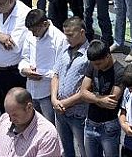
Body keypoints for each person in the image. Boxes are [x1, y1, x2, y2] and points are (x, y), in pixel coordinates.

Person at [51, 16, 90, 157]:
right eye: (65, 34)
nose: (67, 38)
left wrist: (63, 103)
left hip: (78, 113)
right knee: (65, 148)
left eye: (70, 35)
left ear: (82, 32)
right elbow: (55, 75)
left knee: (84, 149)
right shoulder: (65, 49)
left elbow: (87, 89)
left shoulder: (89, 55)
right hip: (60, 111)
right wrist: (54, 99)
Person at [19, 9, 66, 124]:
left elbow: (60, 70)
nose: (33, 34)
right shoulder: (30, 36)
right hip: (31, 91)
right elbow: (24, 58)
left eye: (35, 30)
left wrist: (40, 73)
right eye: (31, 31)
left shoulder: (59, 39)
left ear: (45, 24)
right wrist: (24, 69)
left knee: (49, 127)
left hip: (48, 93)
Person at [80, 40, 125, 157]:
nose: (96, 67)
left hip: (109, 125)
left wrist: (92, 96)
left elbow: (111, 102)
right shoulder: (93, 64)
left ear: (108, 56)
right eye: (94, 64)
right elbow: (83, 92)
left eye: (99, 64)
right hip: (91, 122)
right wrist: (99, 99)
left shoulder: (119, 72)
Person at [0, 87, 63, 156]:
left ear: (29, 107)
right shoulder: (4, 119)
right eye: (9, 114)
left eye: (15, 115)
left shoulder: (46, 134)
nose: (10, 119)